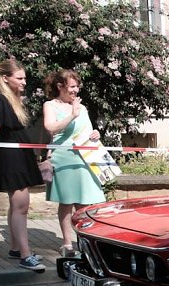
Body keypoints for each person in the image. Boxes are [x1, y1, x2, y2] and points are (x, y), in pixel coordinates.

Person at [0, 59, 45, 272]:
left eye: (24, 77)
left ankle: (16, 248)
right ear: (5, 78)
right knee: (21, 206)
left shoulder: (10, 100)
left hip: (17, 156)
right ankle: (25, 255)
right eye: (20, 78)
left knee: (17, 206)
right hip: (11, 159)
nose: (24, 82)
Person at [42, 69, 106, 257]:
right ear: (60, 86)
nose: (75, 90)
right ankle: (67, 244)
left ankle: (85, 243)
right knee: (66, 202)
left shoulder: (82, 107)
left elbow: (87, 131)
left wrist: (95, 134)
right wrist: (72, 114)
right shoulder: (50, 105)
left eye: (77, 86)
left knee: (85, 204)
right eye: (72, 86)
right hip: (63, 157)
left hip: (84, 157)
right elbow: (50, 128)